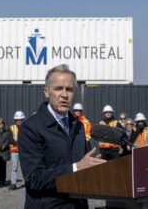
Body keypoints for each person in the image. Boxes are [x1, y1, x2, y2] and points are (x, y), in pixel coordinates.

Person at [19, 64, 106, 208]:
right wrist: (76, 168)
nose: (64, 95)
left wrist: (96, 170)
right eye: (58, 88)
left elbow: (83, 166)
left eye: (69, 89)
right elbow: (34, 179)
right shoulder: (31, 128)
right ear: (46, 92)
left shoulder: (77, 126)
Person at [9, 110, 25, 190]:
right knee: (14, 168)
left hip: (24, 151)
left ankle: (28, 183)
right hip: (14, 151)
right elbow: (10, 138)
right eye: (18, 120)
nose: (19, 121)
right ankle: (13, 183)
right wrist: (18, 144)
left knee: (25, 167)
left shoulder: (26, 127)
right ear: (15, 120)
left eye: (21, 119)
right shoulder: (11, 128)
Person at [0, 118, 10, 187]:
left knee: (3, 167)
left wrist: (4, 145)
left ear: (3, 124)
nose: (0, 125)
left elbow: (8, 140)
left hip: (4, 151)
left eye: (1, 124)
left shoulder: (7, 131)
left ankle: (3, 180)